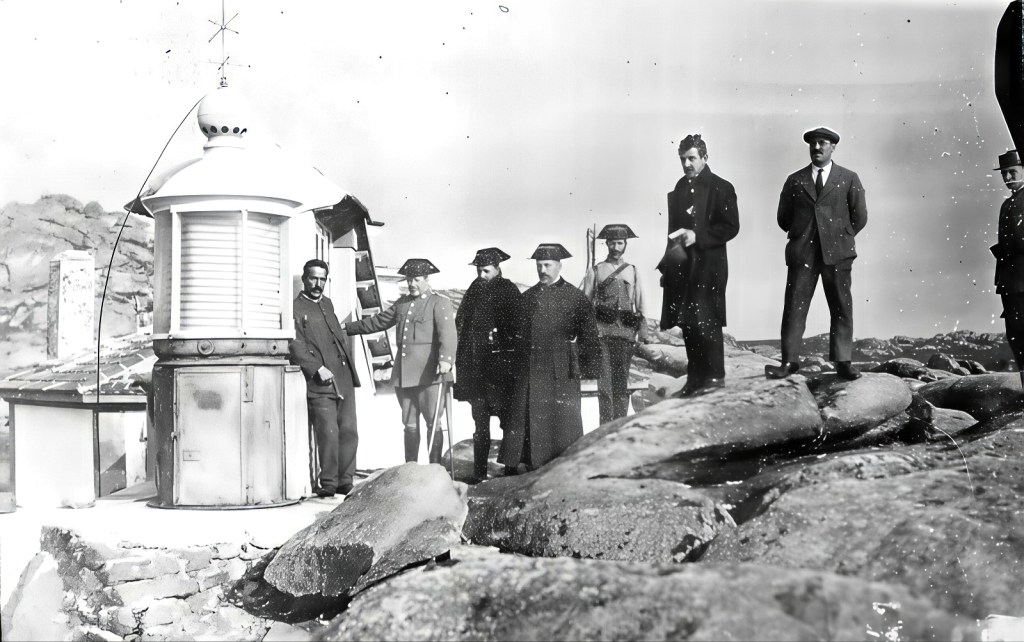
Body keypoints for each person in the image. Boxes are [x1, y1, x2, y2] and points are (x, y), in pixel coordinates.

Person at [766, 126, 867, 381]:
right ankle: (789, 362)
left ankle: (843, 363)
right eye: (813, 143)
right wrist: (803, 233)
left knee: (842, 307)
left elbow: (860, 217)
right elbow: (783, 218)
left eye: (823, 143)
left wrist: (840, 235)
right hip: (803, 255)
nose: (817, 148)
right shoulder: (795, 180)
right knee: (794, 309)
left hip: (838, 254)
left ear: (833, 147)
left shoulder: (849, 178)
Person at [500, 243, 601, 471]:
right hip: (530, 370)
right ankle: (526, 463)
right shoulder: (527, 298)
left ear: (559, 266)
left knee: (562, 422)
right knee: (527, 418)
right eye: (539, 265)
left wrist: (589, 369)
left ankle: (563, 465)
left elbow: (589, 336)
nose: (542, 270)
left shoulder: (576, 298)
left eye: (547, 265)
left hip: (561, 372)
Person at [344, 258, 457, 463]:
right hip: (405, 375)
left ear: (426, 279)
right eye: (408, 280)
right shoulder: (402, 303)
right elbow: (379, 321)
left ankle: (435, 471)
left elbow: (448, 335)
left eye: (415, 280)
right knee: (409, 425)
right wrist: (346, 328)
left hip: (430, 374)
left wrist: (446, 360)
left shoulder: (439, 302)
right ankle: (410, 470)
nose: (411, 284)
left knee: (433, 424)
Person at [658, 133, 740, 396]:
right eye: (683, 159)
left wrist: (698, 236)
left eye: (692, 158)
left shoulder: (722, 187)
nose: (686, 164)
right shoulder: (680, 187)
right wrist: (667, 267)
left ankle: (714, 379)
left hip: (709, 267)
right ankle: (695, 379)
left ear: (705, 158)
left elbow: (731, 227)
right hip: (683, 267)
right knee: (688, 323)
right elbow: (672, 231)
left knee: (709, 321)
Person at [289, 258, 361, 498]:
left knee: (349, 430)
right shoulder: (295, 308)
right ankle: (328, 483)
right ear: (304, 279)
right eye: (313, 278)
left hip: (344, 375)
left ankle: (345, 481)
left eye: (322, 279)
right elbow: (295, 343)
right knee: (328, 433)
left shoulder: (327, 304)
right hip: (320, 380)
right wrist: (316, 367)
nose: (318, 283)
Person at [454, 247, 523, 481]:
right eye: (478, 270)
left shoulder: (509, 290)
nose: (481, 275)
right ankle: (479, 472)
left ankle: (510, 471)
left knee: (507, 420)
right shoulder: (474, 290)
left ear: (497, 268)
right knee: (480, 421)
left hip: (502, 369)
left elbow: (519, 326)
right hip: (477, 369)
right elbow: (461, 321)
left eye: (486, 271)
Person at [581, 224, 648, 422]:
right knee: (605, 387)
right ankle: (605, 428)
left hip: (626, 334)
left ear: (625, 244)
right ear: (607, 244)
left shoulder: (633, 271)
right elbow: (586, 303)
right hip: (601, 333)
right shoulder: (596, 270)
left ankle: (620, 425)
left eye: (620, 243)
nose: (616, 247)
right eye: (612, 242)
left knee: (621, 385)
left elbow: (640, 301)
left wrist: (643, 332)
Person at [991, 150, 1024, 388]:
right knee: (1017, 337)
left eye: (1012, 171)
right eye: (1004, 173)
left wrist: (1008, 248)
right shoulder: (1007, 204)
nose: (1008, 177)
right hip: (1009, 282)